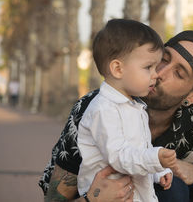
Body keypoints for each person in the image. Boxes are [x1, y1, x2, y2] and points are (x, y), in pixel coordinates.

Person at [39, 26, 193, 202]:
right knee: (171, 190)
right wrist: (93, 198)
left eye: (179, 73)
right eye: (163, 60)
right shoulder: (97, 108)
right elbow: (53, 199)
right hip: (99, 194)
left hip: (148, 192)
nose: (160, 73)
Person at [76, 19, 178, 202]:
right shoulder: (104, 109)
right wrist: (155, 159)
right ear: (117, 69)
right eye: (148, 67)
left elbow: (138, 149)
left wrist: (157, 172)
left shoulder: (134, 106)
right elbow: (120, 157)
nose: (156, 74)